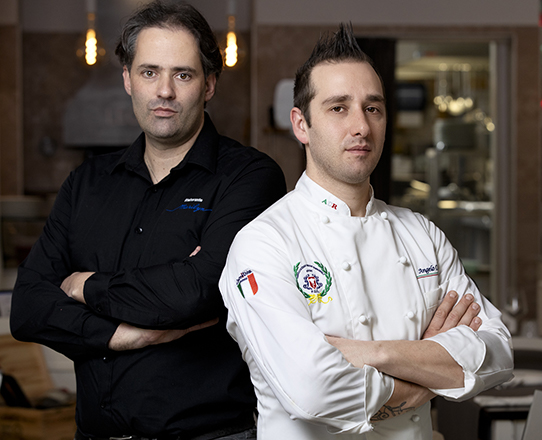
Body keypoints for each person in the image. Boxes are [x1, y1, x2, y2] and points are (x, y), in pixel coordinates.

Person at [218, 23, 513, 439]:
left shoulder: (422, 235)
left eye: (373, 108)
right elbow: (313, 389)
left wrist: (375, 353)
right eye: (338, 108)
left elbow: (498, 353)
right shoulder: (263, 243)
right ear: (301, 125)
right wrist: (427, 373)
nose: (361, 126)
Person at [10, 1, 286, 439]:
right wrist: (121, 334)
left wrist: (86, 286)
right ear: (128, 79)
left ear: (209, 84)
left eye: (183, 75)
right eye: (149, 72)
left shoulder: (249, 177)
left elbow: (198, 291)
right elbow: (27, 307)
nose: (164, 91)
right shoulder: (87, 183)